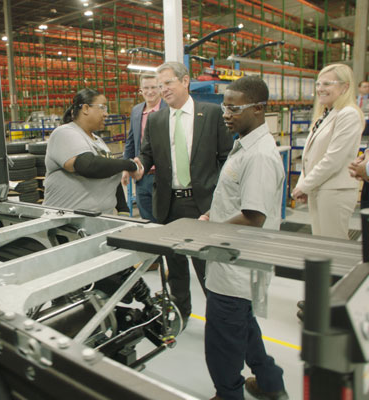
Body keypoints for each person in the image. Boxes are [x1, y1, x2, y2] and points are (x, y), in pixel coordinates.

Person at [201, 76, 287, 400]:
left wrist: (207, 232)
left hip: (236, 264)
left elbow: (254, 217)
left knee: (223, 342)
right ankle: (270, 383)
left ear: (259, 109)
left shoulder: (260, 156)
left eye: (234, 108)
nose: (226, 113)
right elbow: (238, 203)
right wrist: (213, 217)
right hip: (231, 259)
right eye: (225, 106)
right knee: (245, 327)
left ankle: (228, 394)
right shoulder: (246, 143)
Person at [132, 61, 233, 323]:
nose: (162, 89)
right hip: (169, 204)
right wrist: (138, 165)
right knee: (175, 266)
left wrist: (219, 199)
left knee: (207, 267)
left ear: (185, 81)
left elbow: (227, 158)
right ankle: (181, 312)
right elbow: (147, 153)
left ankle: (220, 317)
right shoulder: (156, 119)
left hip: (202, 204)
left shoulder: (211, 114)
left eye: (168, 83)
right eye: (159, 85)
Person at [291, 64, 364, 239]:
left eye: (327, 84)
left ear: (345, 86)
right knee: (322, 246)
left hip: (335, 192)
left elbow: (333, 159)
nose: (320, 89)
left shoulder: (348, 114)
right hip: (321, 189)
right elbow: (310, 156)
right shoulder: (326, 114)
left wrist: (305, 186)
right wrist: (306, 185)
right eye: (318, 84)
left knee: (333, 249)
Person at [43, 88, 141, 214]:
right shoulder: (64, 133)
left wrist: (123, 209)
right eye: (102, 107)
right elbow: (87, 165)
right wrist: (129, 164)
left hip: (100, 221)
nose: (106, 114)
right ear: (85, 108)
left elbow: (110, 173)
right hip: (66, 223)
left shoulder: (99, 141)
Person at [121, 73, 167, 221]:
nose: (150, 91)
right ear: (140, 90)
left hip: (163, 175)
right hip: (142, 175)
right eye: (145, 88)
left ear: (160, 89)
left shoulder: (168, 109)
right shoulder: (136, 111)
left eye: (153, 87)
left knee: (164, 217)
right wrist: (126, 167)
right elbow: (131, 142)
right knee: (146, 216)